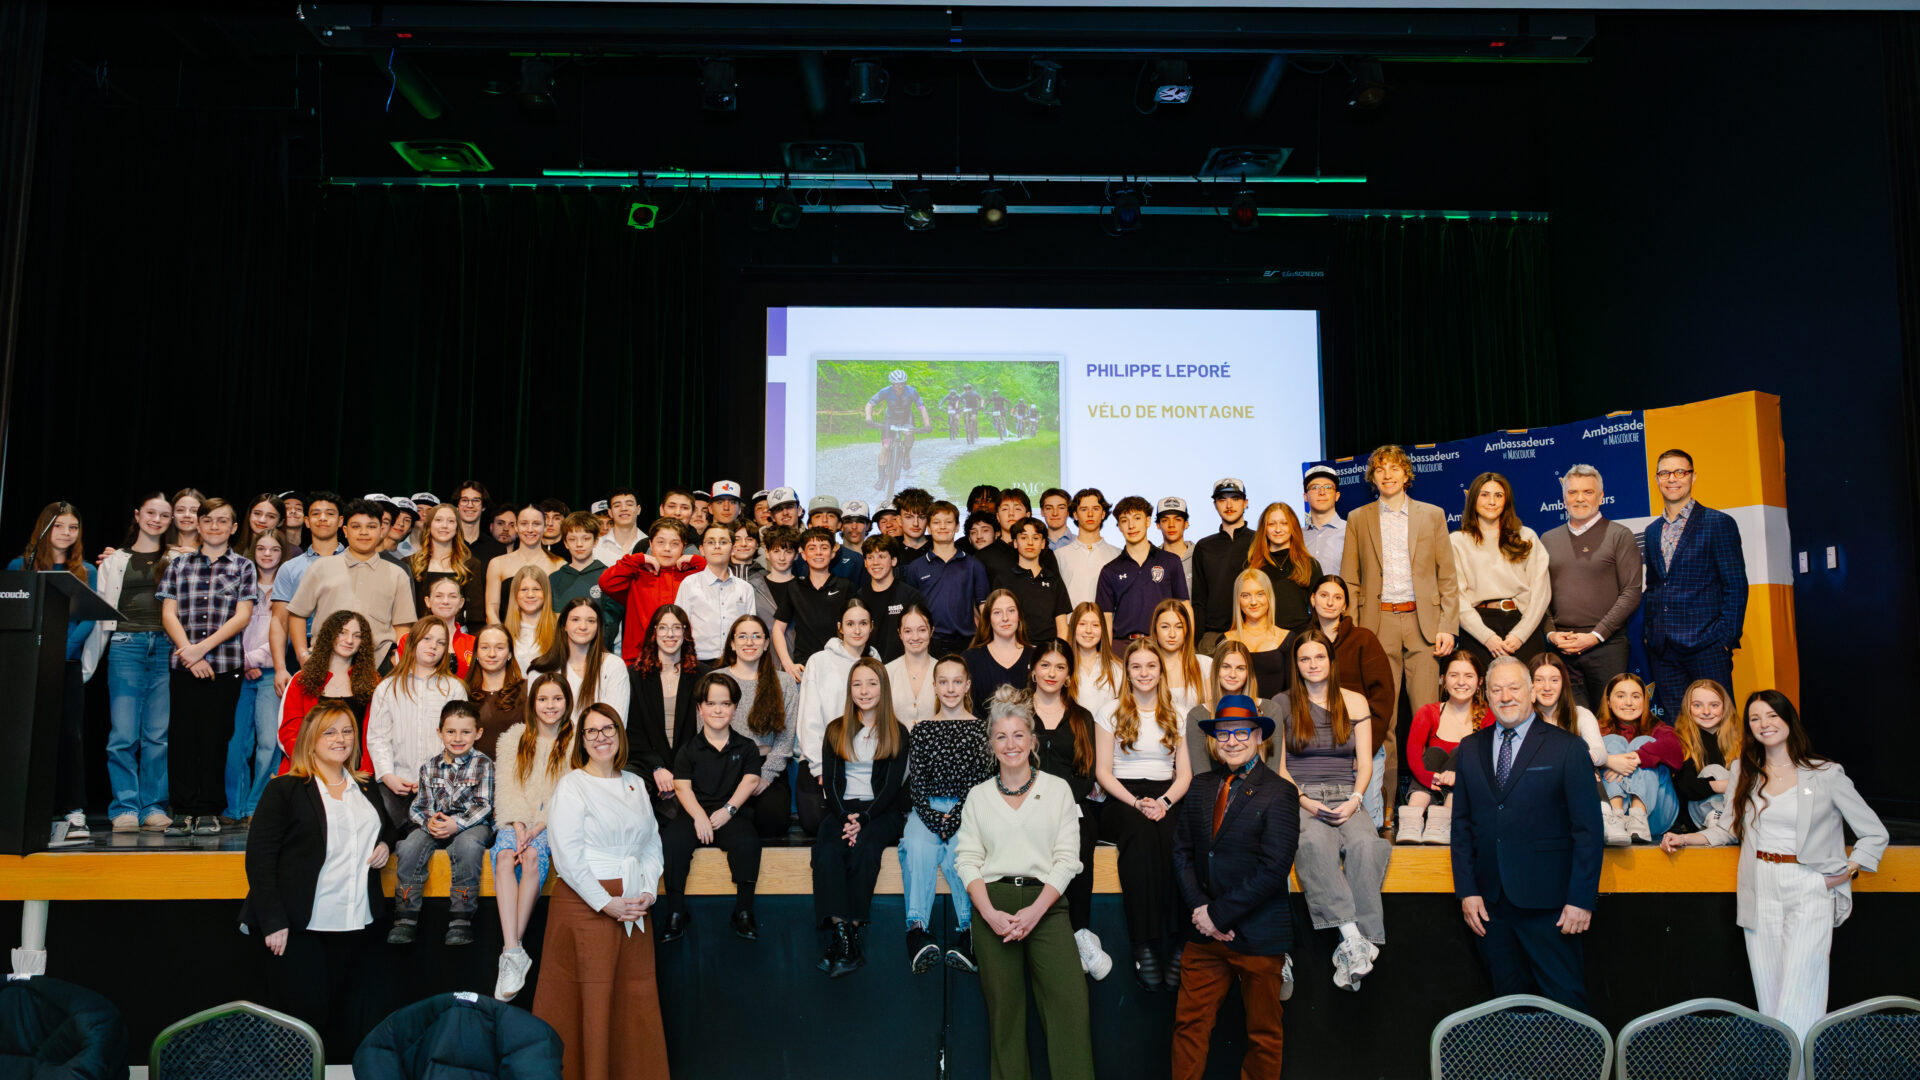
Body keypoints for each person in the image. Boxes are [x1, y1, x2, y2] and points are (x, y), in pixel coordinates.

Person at [1660, 690, 1889, 1044]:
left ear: (1788, 720)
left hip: (1810, 885)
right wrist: (1684, 839)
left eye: (1771, 716)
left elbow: (1874, 834)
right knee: (1769, 1000)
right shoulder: (1743, 771)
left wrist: (1842, 876)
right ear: (1748, 728)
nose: (1764, 724)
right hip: (1760, 885)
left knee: (1801, 994)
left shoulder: (1825, 774)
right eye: (1755, 718)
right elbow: (1727, 829)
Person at [954, 687, 1095, 1080]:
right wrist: (989, 914)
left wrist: (1034, 912)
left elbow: (1068, 860)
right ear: (991, 744)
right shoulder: (979, 797)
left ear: (1033, 740)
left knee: (1070, 1008)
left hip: (1046, 907)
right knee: (1006, 1018)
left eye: (1018, 735)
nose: (1010, 744)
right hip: (993, 907)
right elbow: (967, 861)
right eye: (1001, 736)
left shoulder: (1057, 790)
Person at [1451, 654, 1603, 1011]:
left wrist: (1581, 899)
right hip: (1490, 907)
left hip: (1552, 907)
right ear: (1485, 696)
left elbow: (1588, 830)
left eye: (1514, 687)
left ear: (1533, 691)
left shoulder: (1567, 748)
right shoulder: (1470, 749)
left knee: (1565, 1004)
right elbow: (1461, 826)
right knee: (1505, 1008)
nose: (1505, 696)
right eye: (1496, 689)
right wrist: (1467, 891)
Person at [242, 701, 396, 1053]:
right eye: (330, 732)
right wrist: (273, 921)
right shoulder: (285, 789)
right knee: (302, 1028)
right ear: (311, 740)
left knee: (349, 1025)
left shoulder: (366, 788)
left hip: (358, 926)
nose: (340, 739)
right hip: (300, 929)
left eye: (346, 731)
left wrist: (386, 844)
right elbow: (259, 860)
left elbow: (387, 827)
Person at [532, 702, 670, 1080]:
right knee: (586, 1002)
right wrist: (604, 903)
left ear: (619, 734)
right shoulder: (573, 784)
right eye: (591, 731)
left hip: (633, 905)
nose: (600, 737)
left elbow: (651, 845)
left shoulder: (635, 783)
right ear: (582, 740)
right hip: (587, 905)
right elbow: (567, 853)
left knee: (632, 1000)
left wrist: (648, 891)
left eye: (607, 728)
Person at [1170, 695, 1299, 1080]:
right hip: (1204, 937)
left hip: (1259, 936)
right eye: (1223, 733)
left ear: (1258, 736)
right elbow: (1181, 852)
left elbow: (1274, 868)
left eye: (1241, 732)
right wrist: (1202, 913)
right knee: (1188, 1028)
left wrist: (1218, 914)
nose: (1231, 740)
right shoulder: (1200, 786)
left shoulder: (1280, 792)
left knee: (1263, 1034)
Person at [1340, 444, 1459, 833]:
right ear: (1372, 478)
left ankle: (1428, 803)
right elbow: (1351, 580)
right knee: (1382, 721)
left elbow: (1447, 578)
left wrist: (1448, 626)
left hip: (1423, 625)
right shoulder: (1358, 518)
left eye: (1395, 468)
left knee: (1428, 719)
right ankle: (1386, 807)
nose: (1387, 475)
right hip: (1378, 628)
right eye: (1380, 469)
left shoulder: (1433, 515)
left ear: (1407, 475)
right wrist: (1353, 633)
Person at [1280, 626, 1388, 990]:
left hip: (1348, 793)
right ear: (1296, 664)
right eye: (1304, 658)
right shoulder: (1281, 704)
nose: (1312, 663)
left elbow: (1366, 761)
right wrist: (1304, 801)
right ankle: (1352, 935)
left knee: (1366, 845)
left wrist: (1357, 799)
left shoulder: (1354, 702)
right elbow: (1278, 768)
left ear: (1331, 660)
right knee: (1313, 846)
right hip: (1302, 797)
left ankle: (1354, 949)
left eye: (1319, 656)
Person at [1094, 639, 1193, 991]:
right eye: (1136, 666)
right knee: (1140, 836)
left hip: (1167, 794)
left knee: (1177, 838)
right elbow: (1103, 772)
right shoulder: (1110, 710)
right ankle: (1145, 944)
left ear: (1160, 670)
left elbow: (1185, 775)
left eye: (1151, 666)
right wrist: (1137, 803)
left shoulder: (1179, 713)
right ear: (1128, 672)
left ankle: (1180, 941)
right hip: (1122, 797)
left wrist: (1164, 802)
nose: (1144, 673)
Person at [157, 497, 258, 837]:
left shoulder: (243, 566)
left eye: (222, 521)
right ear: (198, 526)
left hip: (224, 666)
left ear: (233, 528)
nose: (215, 526)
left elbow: (242, 616)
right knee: (183, 738)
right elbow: (169, 612)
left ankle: (209, 810)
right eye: (208, 520)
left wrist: (202, 650)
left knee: (216, 739)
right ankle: (183, 810)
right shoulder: (179, 566)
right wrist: (189, 652)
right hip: (184, 665)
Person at [812, 658, 913, 977]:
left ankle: (847, 937)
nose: (864, 690)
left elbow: (892, 786)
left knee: (866, 850)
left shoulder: (897, 731)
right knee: (826, 851)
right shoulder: (835, 729)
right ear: (849, 689)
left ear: (883, 688)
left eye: (872, 683)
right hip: (841, 809)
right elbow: (829, 783)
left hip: (881, 811)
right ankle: (846, 940)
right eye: (857, 684)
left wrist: (863, 821)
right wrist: (845, 818)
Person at [87, 493, 176, 832]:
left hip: (165, 646)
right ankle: (124, 806)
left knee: (157, 736)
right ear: (138, 515)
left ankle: (152, 806)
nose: (156, 519)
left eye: (164, 515)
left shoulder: (177, 557)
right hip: (126, 644)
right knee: (123, 734)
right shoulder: (115, 559)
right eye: (150, 513)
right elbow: (101, 607)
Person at [1643, 448, 1749, 723]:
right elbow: (1654, 585)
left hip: (1707, 646)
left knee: (1720, 726)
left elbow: (1736, 585)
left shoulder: (1718, 523)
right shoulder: (1653, 531)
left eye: (1680, 471)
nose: (1672, 478)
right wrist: (1651, 633)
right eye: (1665, 473)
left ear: (1693, 477)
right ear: (1656, 479)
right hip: (1664, 650)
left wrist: (1725, 639)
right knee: (1678, 730)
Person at [659, 671, 765, 944]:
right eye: (711, 704)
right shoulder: (689, 749)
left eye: (725, 704)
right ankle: (675, 912)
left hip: (730, 813)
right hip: (694, 811)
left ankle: (743, 911)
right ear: (700, 708)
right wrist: (699, 818)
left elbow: (751, 780)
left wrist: (728, 811)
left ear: (735, 707)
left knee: (748, 843)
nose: (718, 710)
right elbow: (682, 787)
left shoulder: (747, 746)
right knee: (672, 842)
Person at [13, 502, 96, 839]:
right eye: (59, 526)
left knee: (70, 736)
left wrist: (58, 650)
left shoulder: (85, 570)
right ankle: (27, 807)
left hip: (65, 664)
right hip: (26, 666)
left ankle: (74, 810)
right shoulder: (21, 566)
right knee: (28, 735)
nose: (66, 533)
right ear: (45, 529)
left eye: (73, 527)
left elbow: (89, 617)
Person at [1027, 642, 1110, 978]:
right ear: (1033, 670)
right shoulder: (1016, 711)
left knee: (1082, 834)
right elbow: (1001, 762)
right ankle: (1060, 937)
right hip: (1023, 804)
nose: (1052, 673)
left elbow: (1087, 772)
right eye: (1045, 665)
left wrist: (1060, 805)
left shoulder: (1081, 717)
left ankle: (1081, 934)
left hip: (1071, 805)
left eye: (1060, 667)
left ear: (1068, 675)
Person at [491, 672, 574, 1001]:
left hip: (552, 823)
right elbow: (508, 785)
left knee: (531, 858)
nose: (550, 705)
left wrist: (540, 825)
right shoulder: (515, 737)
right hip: (516, 821)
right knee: (503, 857)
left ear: (567, 702)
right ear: (533, 703)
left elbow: (566, 791)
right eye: (543, 699)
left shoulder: (572, 740)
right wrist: (518, 823)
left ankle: (511, 952)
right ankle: (513, 950)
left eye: (557, 698)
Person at [388, 700, 494, 946]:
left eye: (466, 732)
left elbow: (483, 805)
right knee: (410, 845)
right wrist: (430, 823)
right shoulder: (429, 767)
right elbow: (419, 806)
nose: (458, 738)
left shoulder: (483, 764)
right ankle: (405, 916)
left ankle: (461, 918)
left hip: (471, 825)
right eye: (451, 731)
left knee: (468, 847)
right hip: (436, 824)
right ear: (439, 733)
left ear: (478, 733)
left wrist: (456, 824)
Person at [1540, 465, 1643, 711]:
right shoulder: (1547, 539)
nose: (1579, 498)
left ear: (1601, 496)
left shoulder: (1620, 535)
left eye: (1588, 492)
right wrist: (1552, 633)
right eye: (1573, 492)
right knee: (1568, 726)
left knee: (1610, 722)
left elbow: (1631, 592)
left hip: (1608, 648)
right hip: (1561, 648)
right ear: (1564, 498)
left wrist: (1595, 636)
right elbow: (1537, 595)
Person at [1307, 574, 1399, 829]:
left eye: (1338, 598)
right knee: (1323, 820)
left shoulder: (1364, 640)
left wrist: (1365, 750)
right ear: (1313, 599)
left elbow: (1383, 697)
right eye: (1324, 596)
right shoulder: (1303, 642)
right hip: (1319, 746)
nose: (1330, 603)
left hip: (1362, 744)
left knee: (1368, 821)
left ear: (1345, 605)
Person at [286, 498, 417, 671]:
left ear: (381, 530)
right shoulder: (321, 567)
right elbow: (297, 614)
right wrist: (302, 654)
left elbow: (403, 626)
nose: (364, 532)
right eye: (356, 526)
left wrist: (397, 661)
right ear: (346, 531)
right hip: (325, 662)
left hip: (379, 664)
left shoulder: (397, 574)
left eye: (371, 527)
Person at [367, 616, 470, 828]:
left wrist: (439, 780)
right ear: (413, 642)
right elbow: (378, 738)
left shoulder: (454, 688)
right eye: (427, 639)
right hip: (397, 785)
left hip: (441, 787)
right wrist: (387, 776)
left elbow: (460, 741)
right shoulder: (387, 688)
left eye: (441, 643)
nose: (433, 646)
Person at [795, 597, 881, 836]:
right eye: (850, 623)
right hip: (824, 760)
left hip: (863, 762)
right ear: (840, 627)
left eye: (863, 623)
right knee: (815, 823)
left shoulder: (876, 663)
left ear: (871, 626)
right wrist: (820, 768)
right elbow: (809, 719)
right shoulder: (819, 661)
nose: (857, 629)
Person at [1451, 472, 1551, 669]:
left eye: (1498, 495)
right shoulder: (1456, 541)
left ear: (1506, 501)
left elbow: (1541, 592)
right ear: (1473, 499)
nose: (1492, 501)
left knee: (1528, 692)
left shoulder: (1526, 536)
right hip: (1477, 628)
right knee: (1481, 696)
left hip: (1523, 623)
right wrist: (1486, 637)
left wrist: (1519, 635)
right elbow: (1456, 597)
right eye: (1484, 495)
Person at [718, 614, 799, 838]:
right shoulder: (716, 680)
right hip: (726, 766)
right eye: (742, 636)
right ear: (732, 644)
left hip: (766, 766)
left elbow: (785, 739)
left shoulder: (784, 682)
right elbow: (702, 735)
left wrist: (765, 775)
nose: (749, 642)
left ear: (766, 644)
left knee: (771, 822)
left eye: (756, 636)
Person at [225, 528, 284, 823]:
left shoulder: (288, 590)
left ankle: (256, 805)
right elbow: (227, 625)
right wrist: (242, 661)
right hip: (237, 672)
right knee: (236, 743)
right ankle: (233, 809)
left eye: (274, 549)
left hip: (270, 672)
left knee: (269, 743)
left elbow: (282, 634)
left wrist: (253, 659)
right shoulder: (237, 583)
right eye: (262, 548)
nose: (267, 554)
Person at [1399, 653, 1488, 844]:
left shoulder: (1489, 716)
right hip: (1431, 788)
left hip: (1466, 791)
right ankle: (1412, 818)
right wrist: (1429, 777)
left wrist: (1460, 776)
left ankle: (1444, 819)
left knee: (1463, 751)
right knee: (1433, 753)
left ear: (1479, 681)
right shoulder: (1428, 712)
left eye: (1469, 676)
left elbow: (1489, 761)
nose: (1461, 682)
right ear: (1443, 679)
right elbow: (1413, 755)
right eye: (1454, 675)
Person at [276, 611, 377, 775]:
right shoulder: (302, 680)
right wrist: (313, 768)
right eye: (342, 632)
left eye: (357, 636)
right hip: (308, 772)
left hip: (356, 774)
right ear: (329, 635)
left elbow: (374, 735)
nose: (349, 640)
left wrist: (365, 774)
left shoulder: (372, 683)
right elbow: (289, 733)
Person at [626, 604, 702, 819]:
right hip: (647, 764)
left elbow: (703, 732)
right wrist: (657, 767)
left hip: (689, 766)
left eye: (677, 628)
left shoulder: (702, 675)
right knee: (632, 794)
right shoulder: (634, 675)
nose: (670, 634)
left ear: (685, 633)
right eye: (663, 628)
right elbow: (632, 730)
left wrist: (678, 772)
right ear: (654, 632)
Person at [269, 491, 344, 696]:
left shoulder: (355, 564)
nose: (322, 518)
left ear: (340, 522)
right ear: (307, 522)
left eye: (329, 513)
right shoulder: (290, 568)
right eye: (316, 514)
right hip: (302, 651)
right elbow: (279, 620)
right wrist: (280, 668)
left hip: (347, 647)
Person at [1596, 671, 1682, 843]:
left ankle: (1638, 815)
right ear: (1608, 702)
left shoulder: (1658, 728)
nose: (1629, 702)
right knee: (1611, 741)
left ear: (1644, 701)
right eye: (1621, 696)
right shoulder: (1595, 730)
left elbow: (1678, 752)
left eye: (1636, 696)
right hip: (1607, 818)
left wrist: (1638, 756)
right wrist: (1611, 761)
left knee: (1644, 741)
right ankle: (1616, 816)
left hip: (1656, 816)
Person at [1097, 496, 1190, 645]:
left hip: (1162, 644)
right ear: (1119, 526)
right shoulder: (1110, 570)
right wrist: (1106, 658)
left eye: (1137, 518)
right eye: (1124, 520)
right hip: (1122, 646)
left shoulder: (1170, 561)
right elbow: (1105, 618)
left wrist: (1186, 648)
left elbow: (1185, 607)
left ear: (1147, 521)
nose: (1131, 526)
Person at [903, 501, 991, 658]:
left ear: (957, 527)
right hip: (929, 642)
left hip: (967, 642)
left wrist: (981, 640)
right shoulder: (915, 567)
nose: (942, 527)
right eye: (936, 522)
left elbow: (984, 607)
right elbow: (911, 610)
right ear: (929, 528)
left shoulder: (973, 565)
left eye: (948, 522)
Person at [1184, 641, 1283, 777]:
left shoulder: (1271, 710)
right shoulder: (1198, 715)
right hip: (1215, 792)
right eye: (1226, 667)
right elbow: (1202, 775)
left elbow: (1273, 770)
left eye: (1240, 668)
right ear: (1216, 670)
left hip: (1262, 791)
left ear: (1249, 673)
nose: (1232, 674)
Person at [773, 526, 855, 677]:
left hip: (840, 665)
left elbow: (856, 627)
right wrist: (788, 664)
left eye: (824, 547)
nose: (818, 552)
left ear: (832, 553)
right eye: (812, 548)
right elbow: (778, 628)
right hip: (805, 667)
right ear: (803, 554)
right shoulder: (794, 587)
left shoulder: (845, 586)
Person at [534, 597, 630, 722]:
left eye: (591, 621)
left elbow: (616, 722)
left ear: (598, 627)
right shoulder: (541, 669)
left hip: (600, 740)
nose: (583, 626)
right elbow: (537, 723)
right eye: (575, 620)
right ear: (564, 625)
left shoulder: (614, 666)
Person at [675, 521, 757, 666]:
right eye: (711, 542)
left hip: (736, 660)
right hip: (699, 661)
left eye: (723, 542)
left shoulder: (745, 588)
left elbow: (751, 630)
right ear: (702, 549)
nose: (717, 546)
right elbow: (679, 626)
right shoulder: (689, 584)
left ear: (733, 549)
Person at [1668, 679, 1741, 836]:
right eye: (1697, 705)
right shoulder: (1680, 740)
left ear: (1725, 707)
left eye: (1714, 705)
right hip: (1698, 816)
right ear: (1688, 708)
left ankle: (1734, 822)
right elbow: (1686, 786)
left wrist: (1730, 784)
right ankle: (1717, 818)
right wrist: (1724, 785)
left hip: (1735, 810)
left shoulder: (1741, 740)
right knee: (1714, 770)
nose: (1706, 711)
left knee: (1739, 767)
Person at [1190, 478, 1255, 655]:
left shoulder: (1259, 541)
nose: (1228, 505)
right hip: (1212, 637)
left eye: (1235, 498)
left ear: (1245, 503)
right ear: (1215, 505)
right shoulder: (1204, 546)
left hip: (1253, 633)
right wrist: (1196, 642)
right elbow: (1199, 600)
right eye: (1222, 499)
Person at [991, 518, 1070, 646]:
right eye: (1023, 538)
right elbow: (996, 623)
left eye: (1036, 538)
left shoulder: (1054, 580)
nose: (1030, 543)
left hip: (1048, 651)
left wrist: (1057, 653)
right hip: (1014, 650)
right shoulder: (1003, 579)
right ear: (1015, 543)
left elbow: (1062, 627)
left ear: (1043, 543)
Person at [408, 502, 485, 634]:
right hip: (418, 638)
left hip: (458, 640)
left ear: (457, 528)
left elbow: (476, 618)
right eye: (438, 520)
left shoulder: (471, 565)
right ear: (429, 525)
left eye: (451, 521)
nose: (444, 525)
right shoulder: (410, 563)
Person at [549, 512, 621, 650]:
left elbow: (611, 623)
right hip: (563, 653)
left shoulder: (608, 577)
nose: (579, 544)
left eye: (586, 538)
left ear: (595, 541)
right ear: (565, 543)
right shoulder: (554, 579)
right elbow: (551, 623)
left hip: (598, 653)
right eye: (572, 539)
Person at [486, 504, 566, 626]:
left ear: (544, 527)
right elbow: (491, 611)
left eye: (536, 524)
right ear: (516, 527)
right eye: (524, 523)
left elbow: (561, 613)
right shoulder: (497, 564)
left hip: (547, 640)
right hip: (507, 639)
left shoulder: (559, 565)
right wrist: (503, 639)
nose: (530, 529)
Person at [1247, 501, 1321, 632]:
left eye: (1284, 523)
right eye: (1271, 524)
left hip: (1301, 638)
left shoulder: (1309, 564)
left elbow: (1319, 609)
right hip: (1265, 637)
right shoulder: (1252, 566)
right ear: (1264, 528)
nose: (1278, 529)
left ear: (1293, 527)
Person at [964, 589, 1040, 716]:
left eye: (1011, 611)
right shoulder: (970, 659)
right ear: (988, 619)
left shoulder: (1037, 657)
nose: (1005, 618)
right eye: (997, 612)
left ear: (1019, 616)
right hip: (983, 734)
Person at [857, 534, 927, 663]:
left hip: (903, 668)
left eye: (882, 557)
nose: (875, 563)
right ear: (865, 563)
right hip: (869, 668)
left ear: (893, 561)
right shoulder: (858, 598)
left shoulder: (911, 596)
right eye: (870, 557)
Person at [1527, 652, 1606, 766]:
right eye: (1539, 680)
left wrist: (1582, 764)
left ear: (1563, 684)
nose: (1547, 687)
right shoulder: (1522, 718)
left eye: (1554, 680)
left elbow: (1600, 752)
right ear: (1530, 684)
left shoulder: (1580, 713)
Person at [1223, 569, 1289, 697]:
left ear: (1269, 596)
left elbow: (1293, 691)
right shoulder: (1225, 640)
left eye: (1260, 594)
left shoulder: (1287, 639)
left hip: (1277, 715)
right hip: (1237, 715)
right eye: (1245, 596)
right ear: (1238, 599)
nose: (1253, 602)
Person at [467, 623, 529, 752]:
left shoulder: (527, 690)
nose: (492, 654)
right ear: (476, 653)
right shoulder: (465, 693)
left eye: (499, 648)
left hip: (515, 769)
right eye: (485, 647)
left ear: (510, 654)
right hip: (477, 770)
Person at [400, 577, 478, 678]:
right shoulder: (409, 639)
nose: (445, 601)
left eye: (452, 596)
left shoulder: (473, 643)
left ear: (461, 603)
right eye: (438, 596)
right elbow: (403, 678)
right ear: (428, 601)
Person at [1056, 488, 1119, 610]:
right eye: (1084, 509)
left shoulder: (1117, 554)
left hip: (1105, 626)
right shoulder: (1059, 555)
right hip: (1070, 626)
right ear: (1075, 515)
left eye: (1095, 509)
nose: (1090, 514)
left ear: (1103, 514)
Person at [1150, 599, 1211, 718]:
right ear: (1155, 630)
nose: (1172, 634)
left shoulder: (1205, 664)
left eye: (1178, 627)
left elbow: (1212, 715)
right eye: (1165, 627)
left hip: (1196, 735)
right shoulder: (1146, 669)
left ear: (1187, 630)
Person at [886, 604, 938, 729]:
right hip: (896, 747)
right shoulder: (887, 671)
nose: (915, 637)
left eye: (922, 630)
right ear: (900, 633)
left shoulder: (942, 671)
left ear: (931, 631)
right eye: (908, 631)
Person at [1067, 602, 1121, 721]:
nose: (1088, 630)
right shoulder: (1064, 668)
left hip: (1107, 736)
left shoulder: (1117, 668)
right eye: (1082, 624)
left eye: (1095, 625)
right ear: (1073, 627)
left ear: (1103, 630)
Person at [503, 565, 558, 672]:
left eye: (536, 589)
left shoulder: (559, 628)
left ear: (546, 593)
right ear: (515, 594)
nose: (530, 595)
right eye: (524, 589)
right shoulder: (504, 633)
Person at [1300, 465, 1347, 573]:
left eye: (1328, 487)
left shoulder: (1351, 532)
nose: (1322, 492)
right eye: (1315, 487)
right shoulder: (1298, 536)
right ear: (1305, 496)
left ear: (1337, 496)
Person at [592, 488, 647, 568]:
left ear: (638, 509)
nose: (624, 509)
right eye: (617, 505)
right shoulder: (595, 546)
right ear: (610, 512)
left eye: (629, 504)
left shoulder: (651, 545)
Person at [1155, 497, 1195, 594]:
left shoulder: (1199, 556)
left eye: (1177, 519)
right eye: (1165, 520)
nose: (1171, 525)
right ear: (1158, 525)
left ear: (1186, 524)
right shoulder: (1151, 560)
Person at [167, 487, 204, 553]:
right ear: (172, 513)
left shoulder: (213, 546)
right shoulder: (159, 544)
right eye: (180, 510)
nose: (187, 515)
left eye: (194, 511)